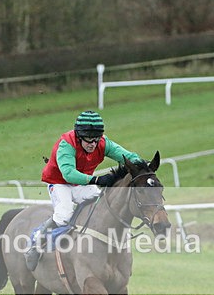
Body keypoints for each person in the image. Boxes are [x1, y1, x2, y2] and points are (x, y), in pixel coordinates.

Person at [24, 110, 143, 271]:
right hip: (59, 183)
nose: (93, 143)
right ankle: (36, 243)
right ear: (79, 136)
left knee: (102, 202)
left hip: (80, 184)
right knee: (64, 214)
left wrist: (142, 163)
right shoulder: (67, 144)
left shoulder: (103, 143)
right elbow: (68, 174)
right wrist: (97, 180)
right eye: (88, 139)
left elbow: (126, 156)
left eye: (96, 138)